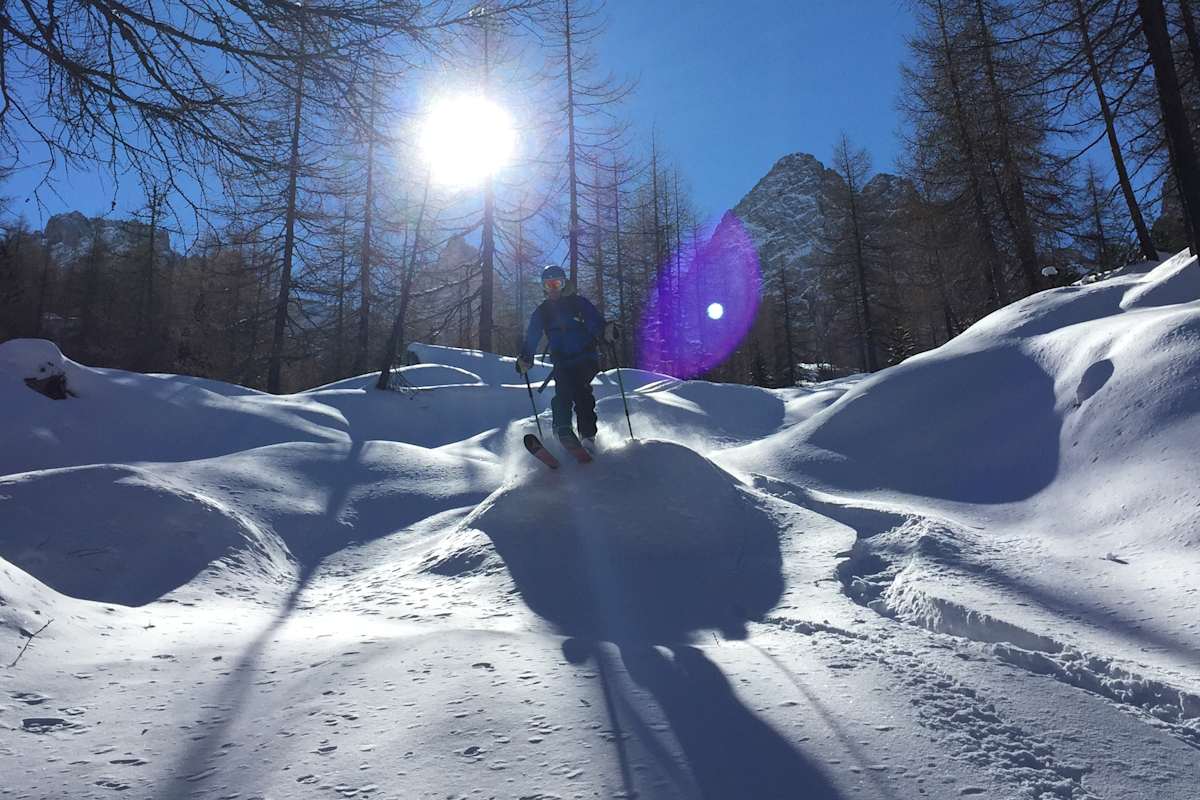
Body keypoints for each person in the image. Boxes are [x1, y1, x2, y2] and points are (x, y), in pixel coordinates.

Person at [516, 265, 618, 450]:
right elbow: (533, 334)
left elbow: (594, 321)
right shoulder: (543, 311)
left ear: (564, 285)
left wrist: (605, 332)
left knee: (581, 392)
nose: (553, 289)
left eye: (557, 284)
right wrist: (526, 356)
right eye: (549, 285)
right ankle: (562, 431)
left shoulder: (577, 303)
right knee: (562, 394)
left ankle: (587, 437)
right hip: (561, 361)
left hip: (585, 357)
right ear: (544, 287)